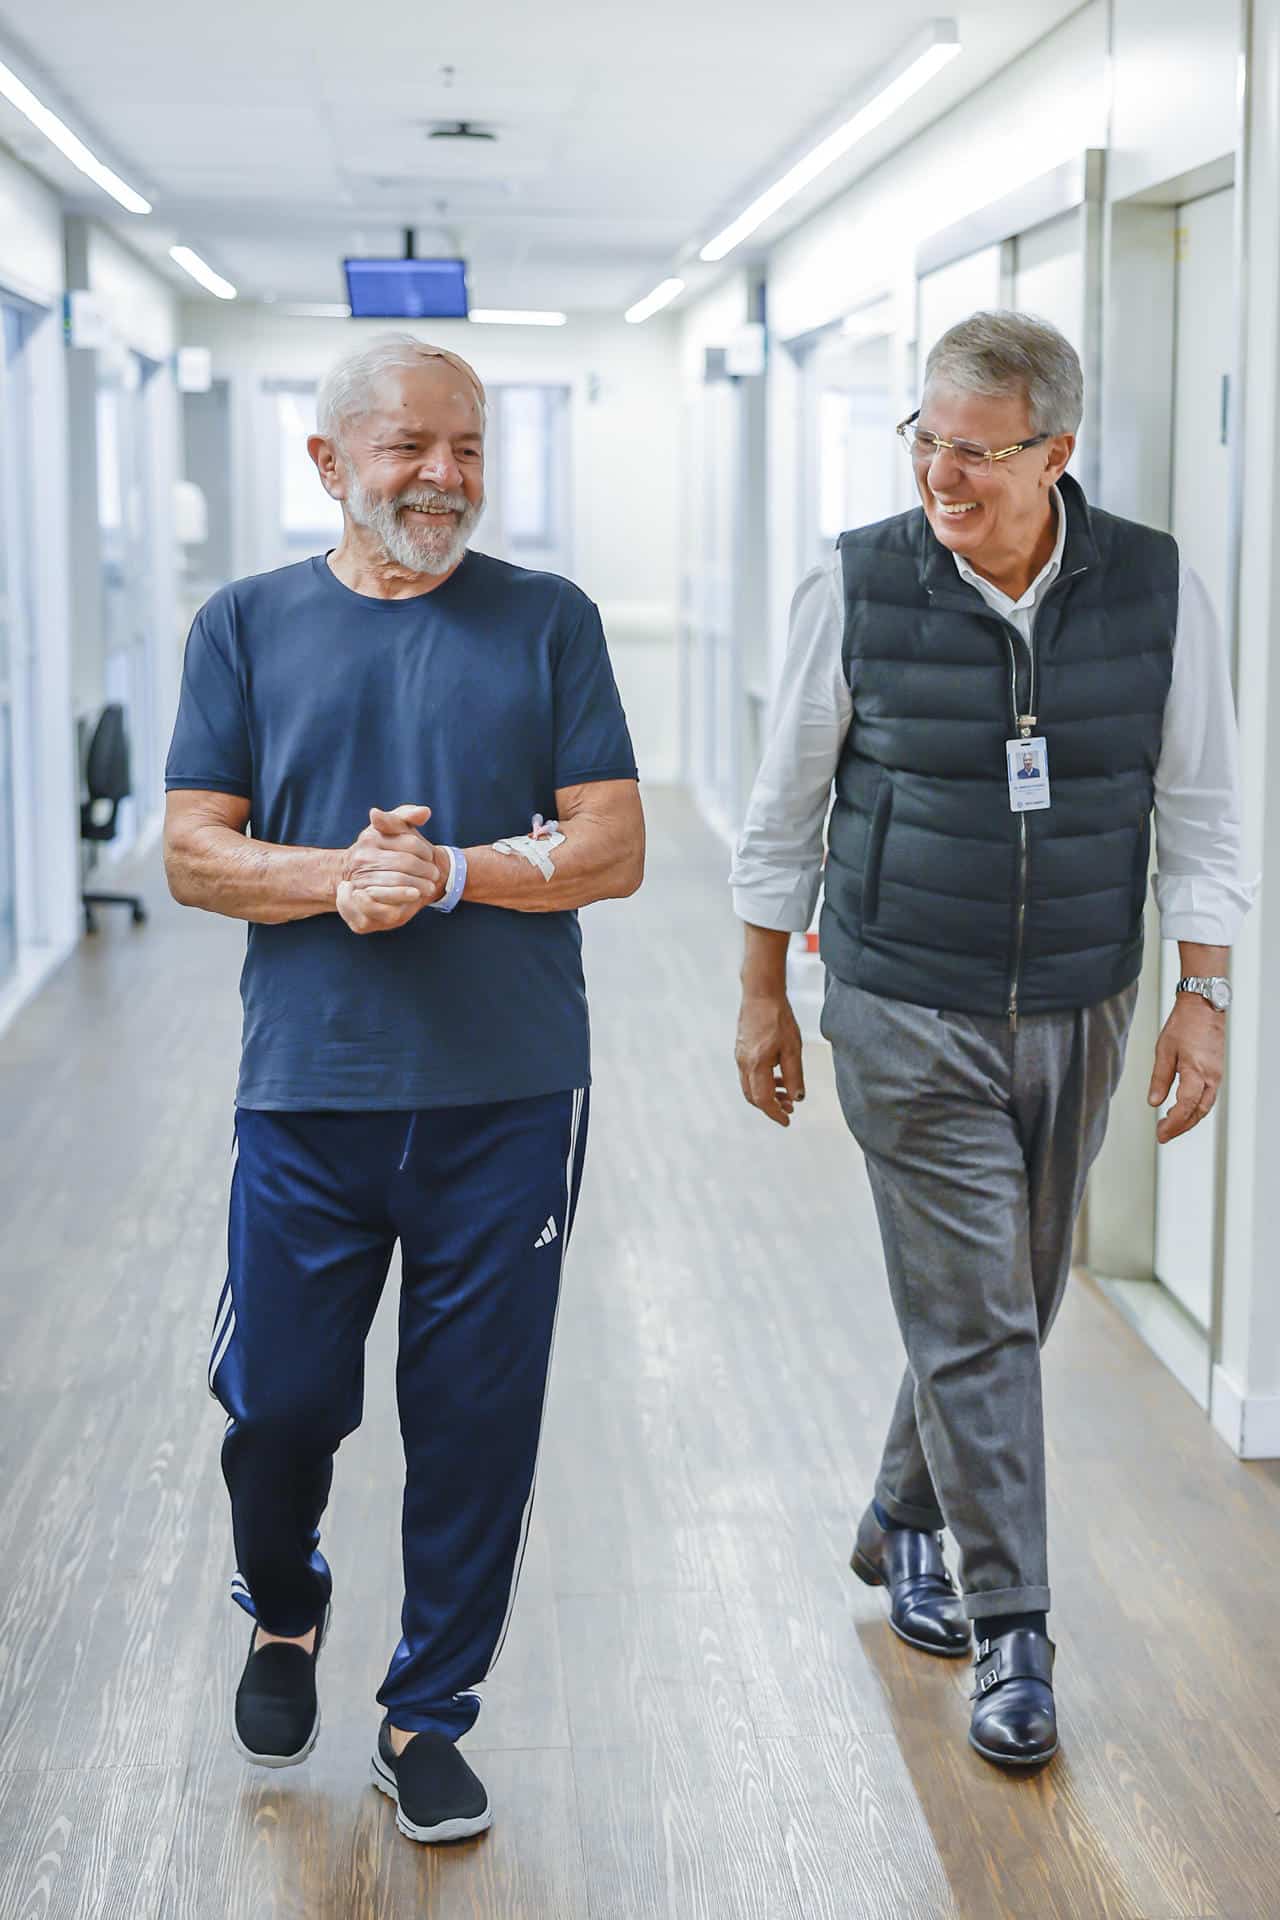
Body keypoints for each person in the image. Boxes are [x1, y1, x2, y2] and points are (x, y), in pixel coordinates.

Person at [730, 311, 1252, 1771]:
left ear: (1057, 451)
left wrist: (1202, 993)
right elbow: (785, 805)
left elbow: (1203, 803)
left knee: (1011, 1296)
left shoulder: (1154, 586)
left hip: (1083, 994)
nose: (941, 477)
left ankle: (902, 1516)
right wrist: (764, 989)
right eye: (926, 442)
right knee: (977, 1306)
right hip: (901, 994)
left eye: (976, 451)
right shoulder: (857, 582)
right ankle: (1013, 1624)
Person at [163, 334, 643, 1841]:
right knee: (286, 1403)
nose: (446, 478)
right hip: (309, 1094)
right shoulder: (245, 625)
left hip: (509, 1097)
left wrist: (446, 876)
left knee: (476, 1420)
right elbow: (191, 848)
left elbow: (613, 845)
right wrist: (344, 876)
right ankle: (286, 1602)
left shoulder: (547, 622)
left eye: (470, 450)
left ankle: (426, 1714)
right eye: (410, 450)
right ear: (327, 463)